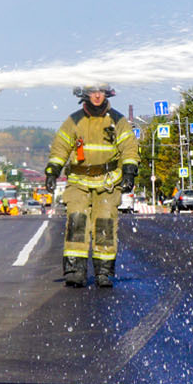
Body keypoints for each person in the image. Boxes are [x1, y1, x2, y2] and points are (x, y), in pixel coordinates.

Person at [45, 83, 138, 288]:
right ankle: (74, 271)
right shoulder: (74, 121)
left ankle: (104, 273)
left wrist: (129, 172)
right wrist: (52, 170)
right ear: (85, 94)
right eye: (93, 91)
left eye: (101, 91)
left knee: (105, 225)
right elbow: (60, 147)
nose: (97, 95)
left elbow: (129, 148)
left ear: (107, 93)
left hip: (108, 183)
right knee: (77, 222)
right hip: (78, 182)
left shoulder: (118, 120)